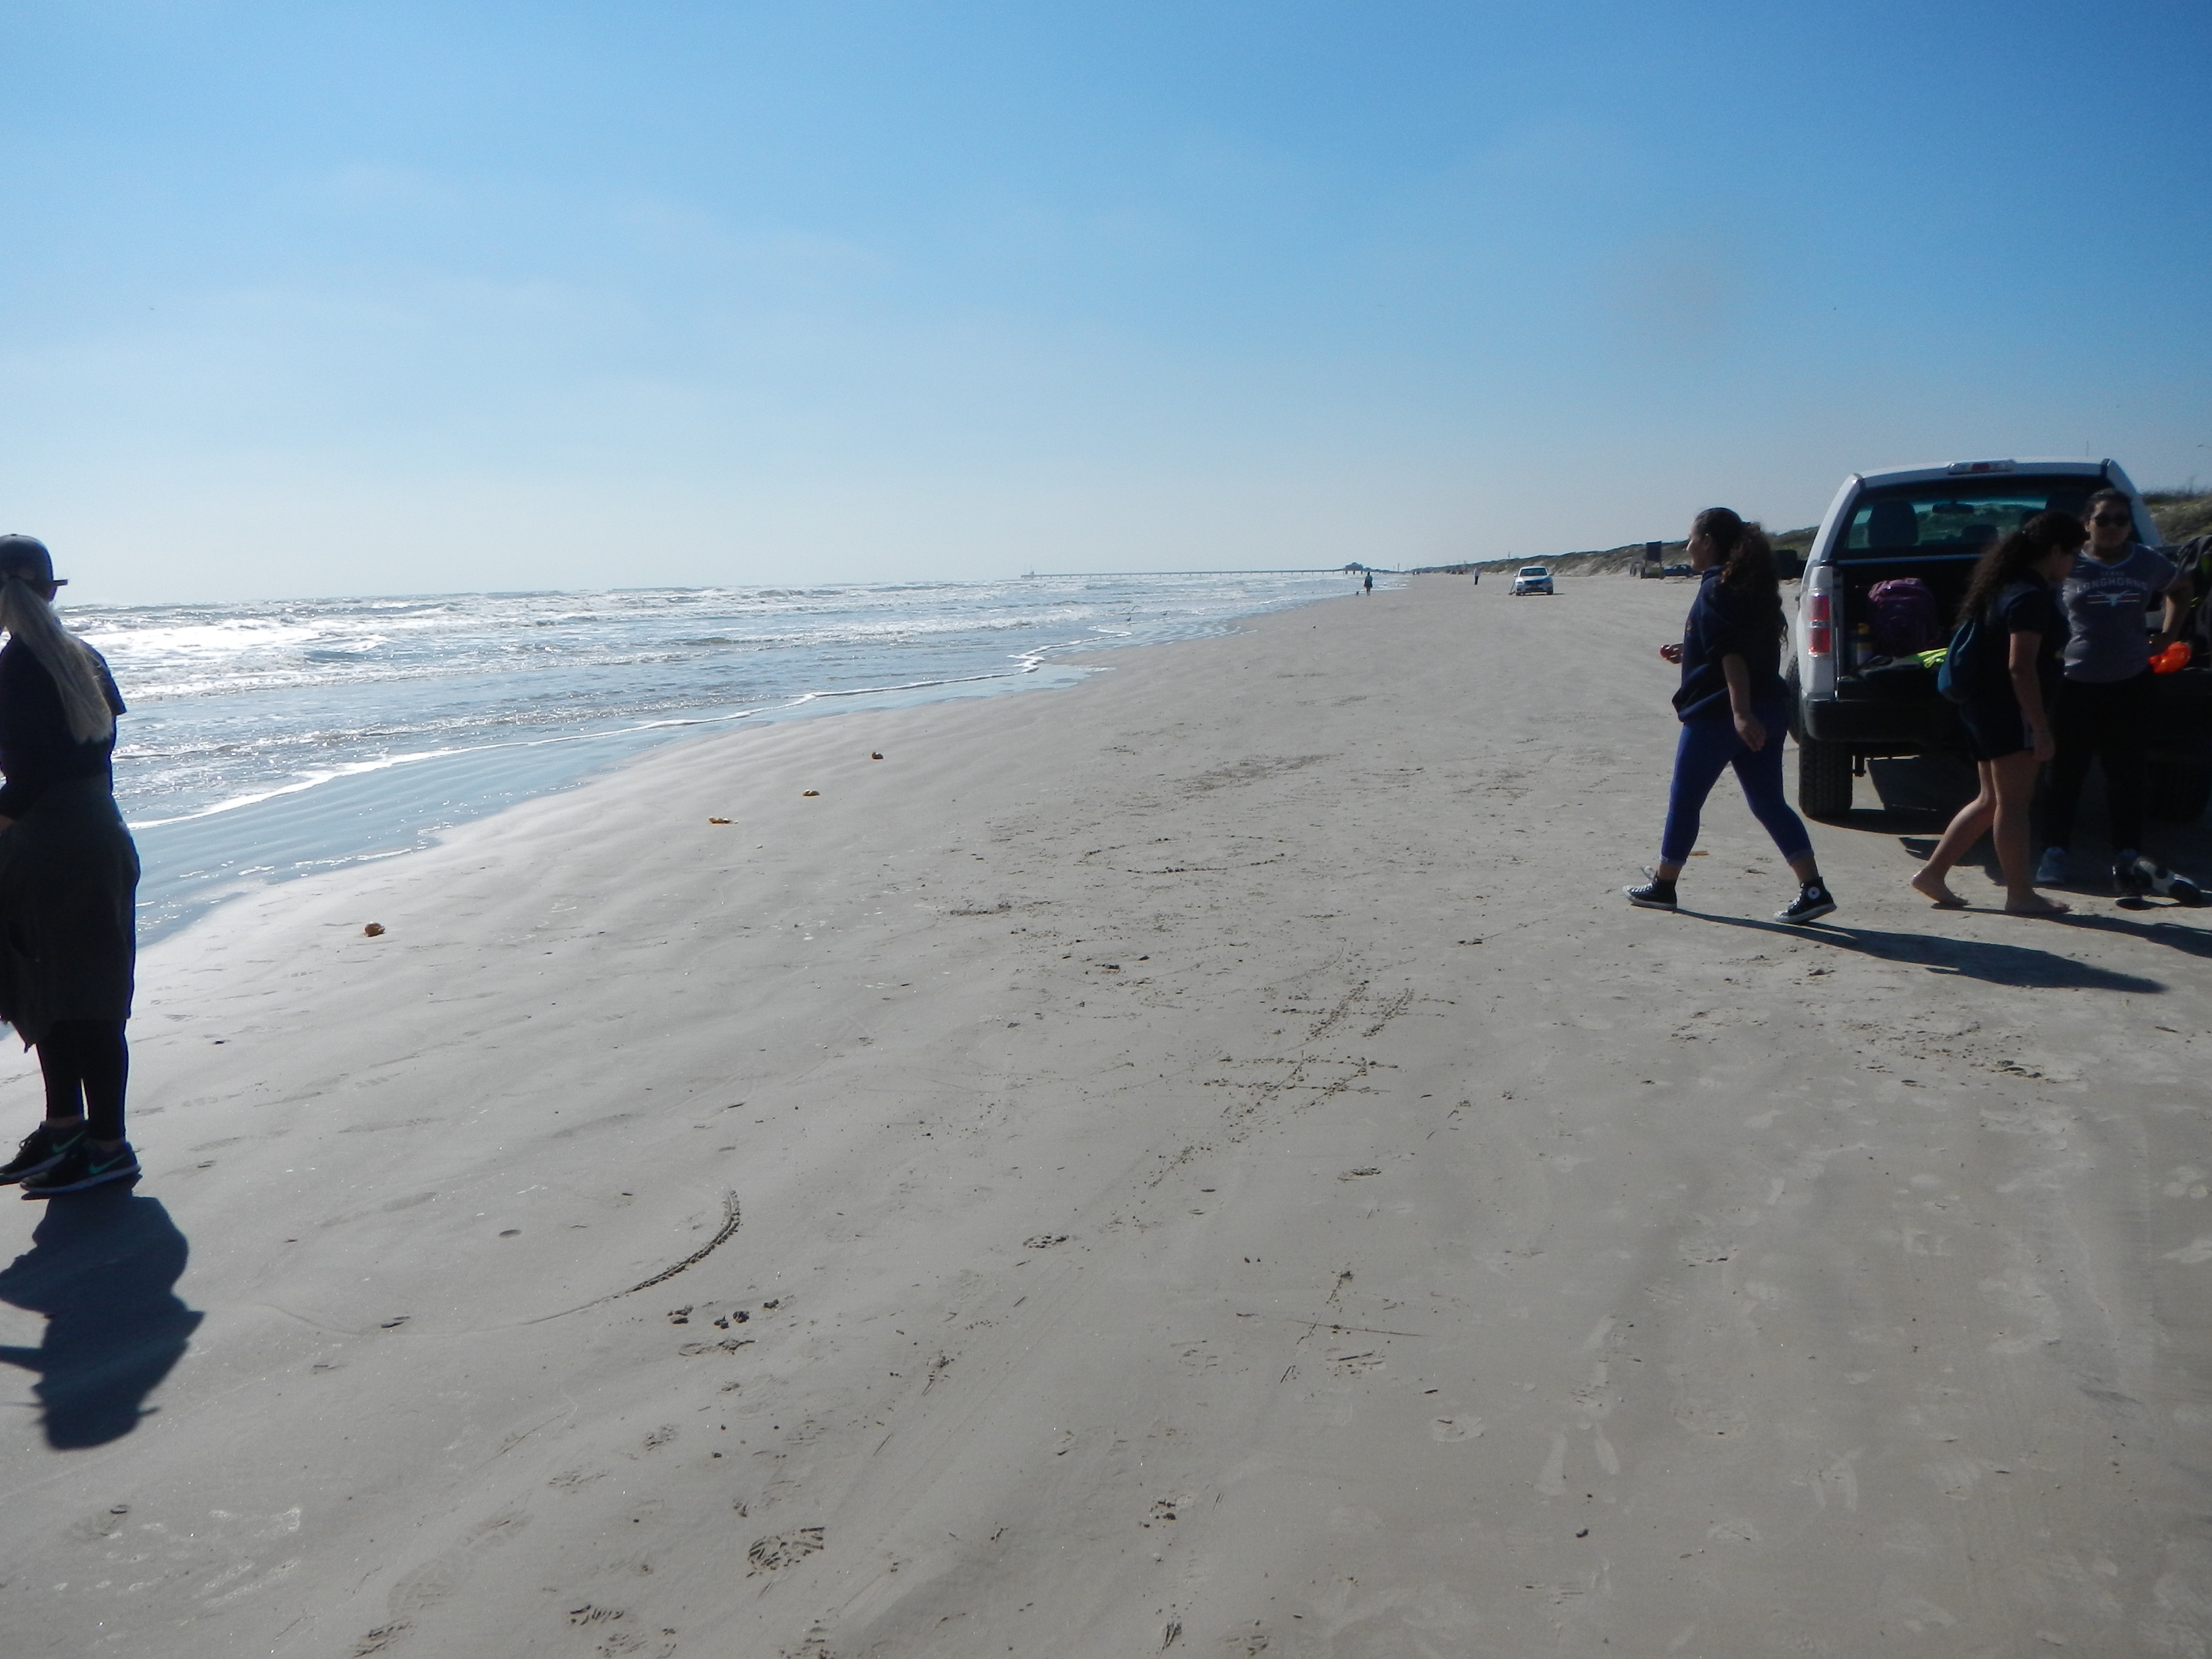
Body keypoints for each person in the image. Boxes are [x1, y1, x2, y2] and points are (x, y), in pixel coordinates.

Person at [0, 536, 140, 1197]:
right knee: (92, 996)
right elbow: (94, 757)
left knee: (45, 990)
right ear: (50, 591)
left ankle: (100, 1144)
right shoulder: (84, 658)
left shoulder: (13, 668)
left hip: (45, 840)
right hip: (99, 832)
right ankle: (77, 1133)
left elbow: (28, 778)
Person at [1624, 508, 1837, 923]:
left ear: (1707, 542)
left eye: (1692, 539)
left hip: (1720, 717)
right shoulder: (1748, 586)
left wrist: (1740, 713)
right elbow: (1737, 646)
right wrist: (1691, 651)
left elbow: (1732, 654)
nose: (1688, 546)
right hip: (1769, 709)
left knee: (1685, 801)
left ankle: (1664, 886)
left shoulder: (1716, 588)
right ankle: (1813, 888)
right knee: (1768, 803)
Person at [1909, 512, 2083, 915]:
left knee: (1990, 800)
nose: (2074, 563)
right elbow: (2020, 667)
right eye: (2074, 554)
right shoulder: (2028, 595)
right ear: (2055, 550)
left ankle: (1932, 873)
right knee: (2015, 804)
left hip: (1983, 708)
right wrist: (2041, 728)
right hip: (2009, 711)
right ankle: (2020, 894)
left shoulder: (2004, 585)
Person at [2034, 489, 2195, 895]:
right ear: (2087, 522)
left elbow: (2181, 588)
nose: (2112, 527)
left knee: (2126, 774)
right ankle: (2054, 851)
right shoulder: (2069, 562)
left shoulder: (2147, 561)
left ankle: (2127, 854)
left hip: (2130, 682)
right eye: (2103, 519)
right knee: (2063, 773)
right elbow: (2031, 601)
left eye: (2121, 520)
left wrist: (2168, 635)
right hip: (2073, 682)